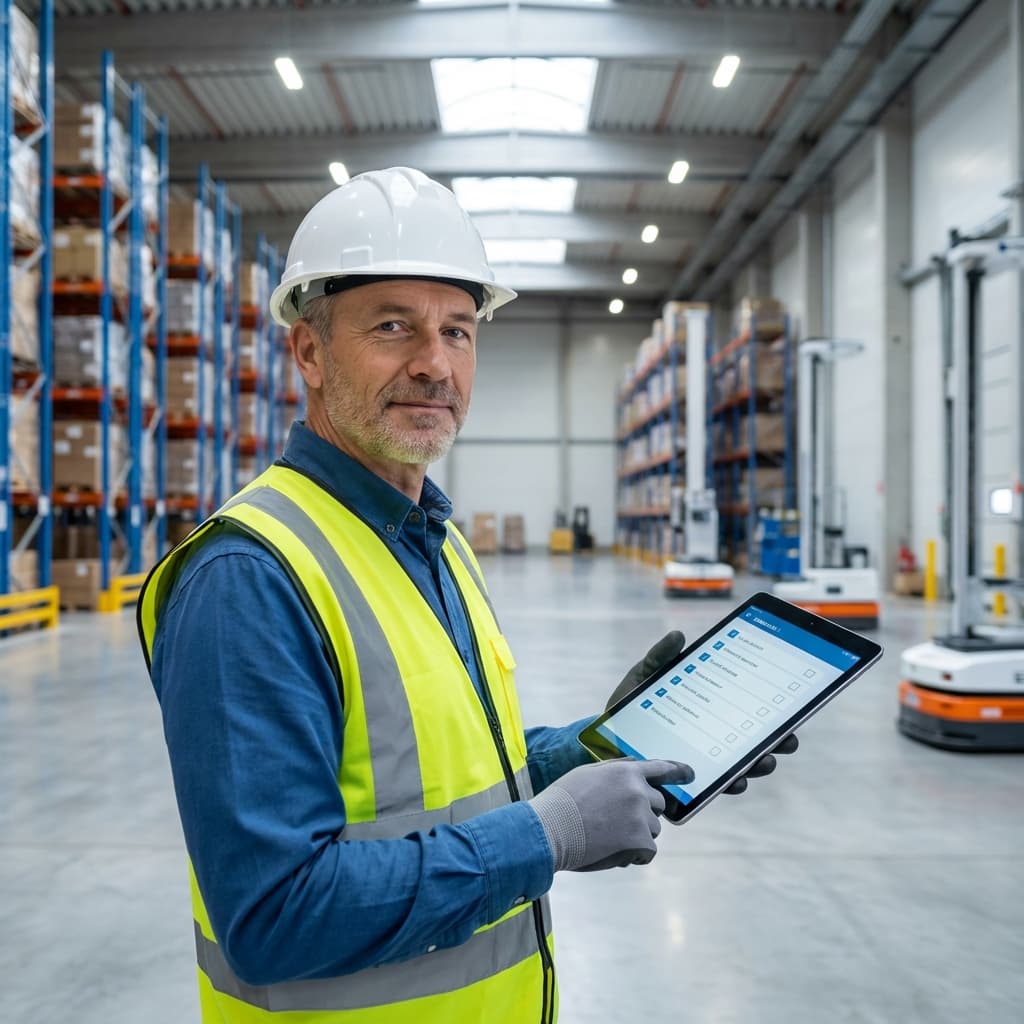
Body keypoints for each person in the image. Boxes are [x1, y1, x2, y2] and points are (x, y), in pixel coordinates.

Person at [137, 167, 796, 1023]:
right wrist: (547, 835)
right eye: (392, 327)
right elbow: (273, 913)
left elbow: (442, 771)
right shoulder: (250, 576)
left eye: (458, 330)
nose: (434, 365)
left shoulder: (435, 538)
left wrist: (595, 749)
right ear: (308, 350)